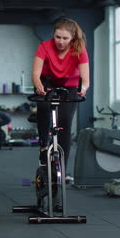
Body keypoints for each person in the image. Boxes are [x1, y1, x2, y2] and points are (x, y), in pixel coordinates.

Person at [31, 18, 89, 169]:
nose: (61, 42)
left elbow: (85, 78)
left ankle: (62, 167)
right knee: (43, 107)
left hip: (69, 85)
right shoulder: (44, 46)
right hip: (47, 81)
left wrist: (83, 89)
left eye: (65, 38)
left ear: (72, 38)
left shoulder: (79, 48)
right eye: (58, 37)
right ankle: (44, 145)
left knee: (65, 122)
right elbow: (36, 74)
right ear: (53, 34)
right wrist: (39, 87)